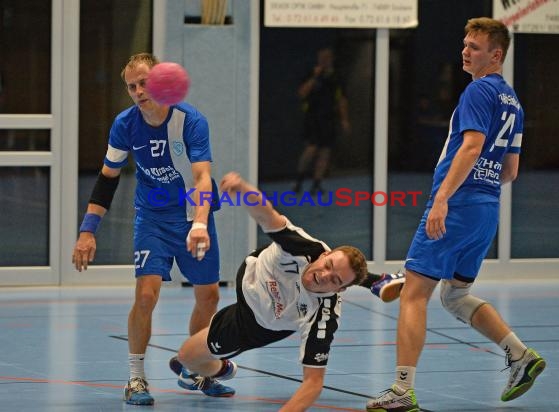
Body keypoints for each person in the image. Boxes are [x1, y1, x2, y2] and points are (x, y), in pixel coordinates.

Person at [366, 17, 546, 412]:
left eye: (475, 47)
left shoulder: (478, 91)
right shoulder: (513, 101)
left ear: (495, 55)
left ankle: (401, 391)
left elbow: (470, 147)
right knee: (456, 294)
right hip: (485, 208)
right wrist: (479, 188)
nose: (466, 51)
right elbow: (511, 171)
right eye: (465, 44)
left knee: (414, 294)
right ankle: (520, 355)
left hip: (459, 204)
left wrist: (445, 198)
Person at [71, 53, 234, 405]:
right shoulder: (125, 125)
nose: (138, 91)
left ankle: (197, 369)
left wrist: (201, 223)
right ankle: (136, 379)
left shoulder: (190, 121)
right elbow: (107, 178)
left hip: (193, 215)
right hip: (153, 218)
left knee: (209, 296)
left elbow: (202, 177)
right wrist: (87, 230)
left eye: (144, 82)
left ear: (160, 81)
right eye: (131, 86)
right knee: (146, 294)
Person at [169, 171, 405, 411]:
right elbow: (267, 215)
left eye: (334, 280)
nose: (322, 275)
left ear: (341, 290)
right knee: (299, 250)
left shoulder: (323, 315)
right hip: (255, 272)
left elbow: (313, 383)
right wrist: (242, 189)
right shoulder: (305, 248)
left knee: (187, 356)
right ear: (324, 254)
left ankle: (219, 369)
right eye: (327, 265)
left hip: (257, 322)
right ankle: (377, 281)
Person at [293, 47, 350, 195]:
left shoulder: (337, 77)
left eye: (327, 58)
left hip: (329, 118)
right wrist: (314, 78)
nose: (324, 60)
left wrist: (344, 119)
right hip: (313, 117)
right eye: (321, 58)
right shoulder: (312, 74)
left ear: (331, 58)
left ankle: (317, 183)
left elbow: (341, 99)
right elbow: (301, 93)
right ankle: (299, 180)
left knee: (325, 151)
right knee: (311, 149)